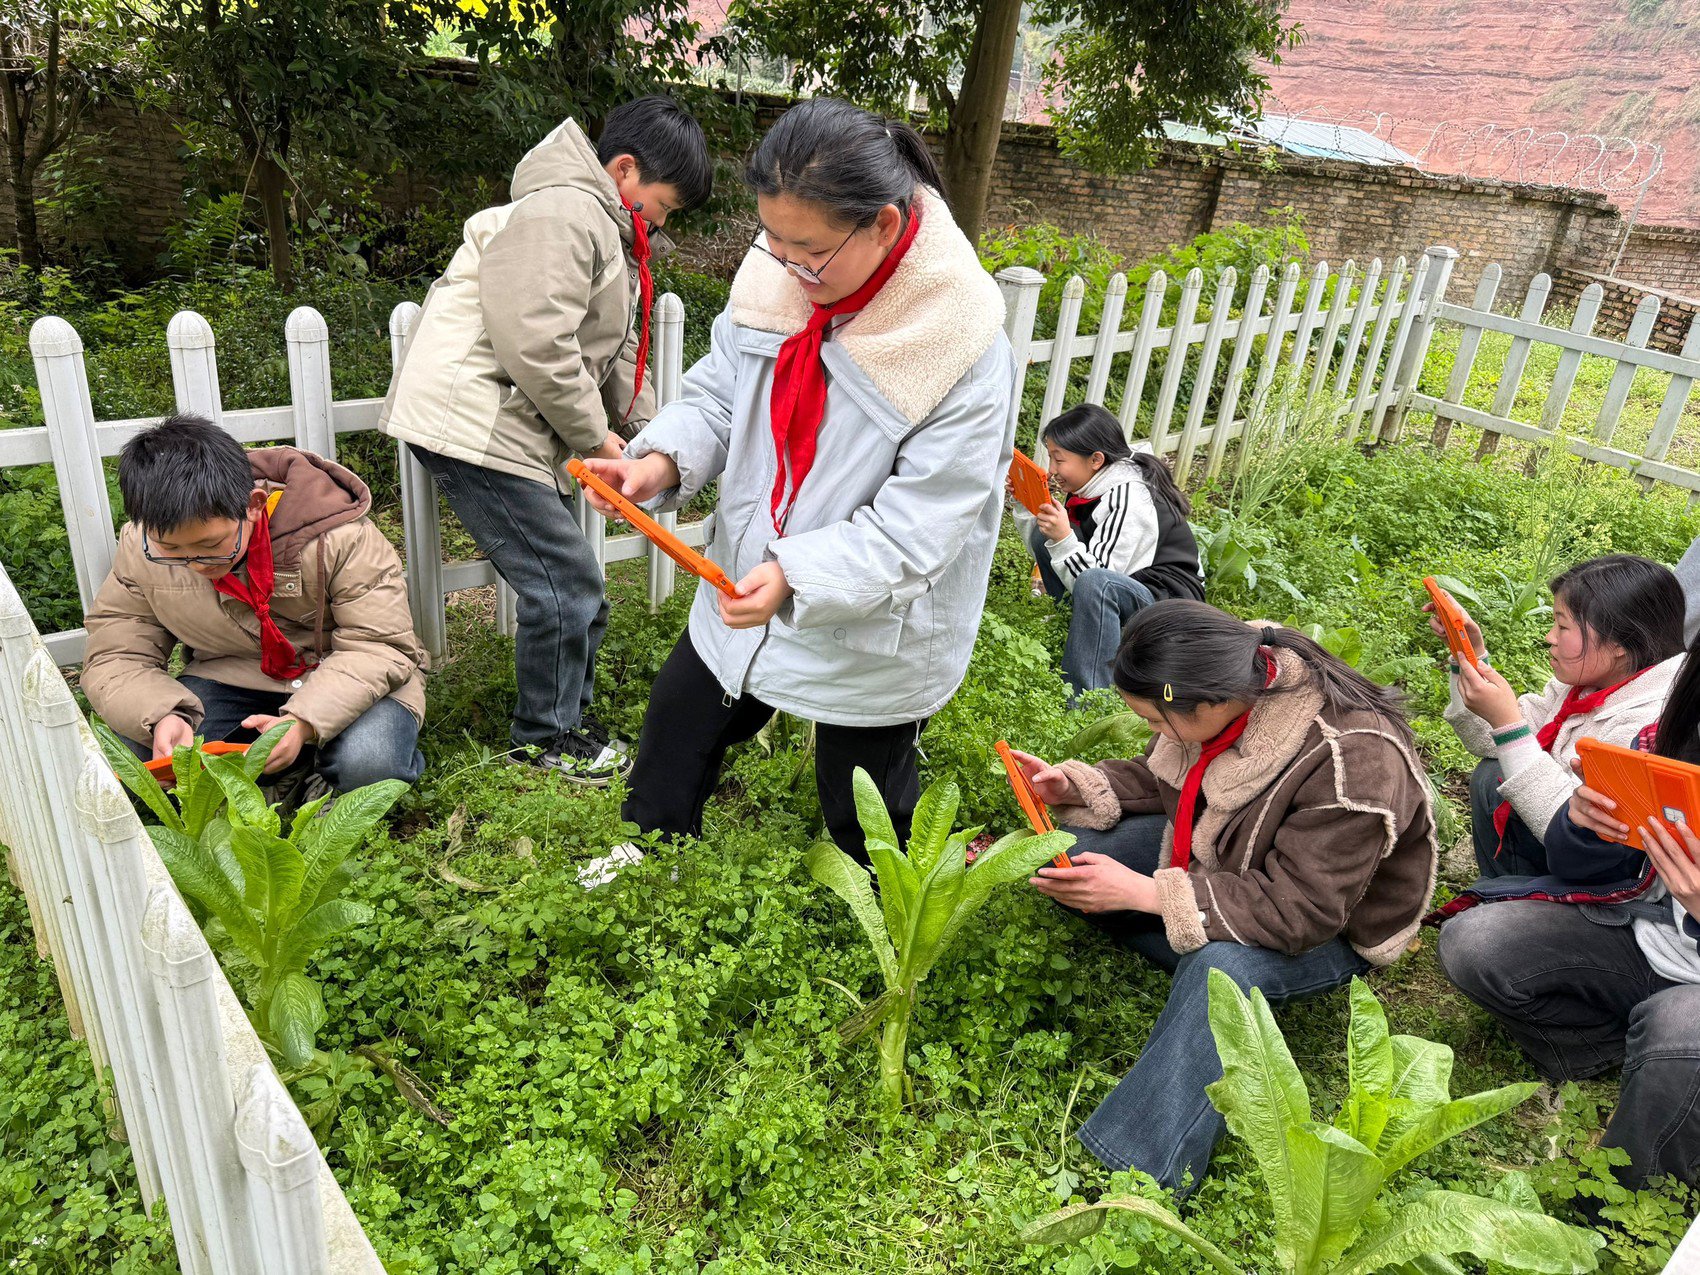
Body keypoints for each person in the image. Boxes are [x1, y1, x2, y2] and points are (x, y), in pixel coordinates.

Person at [576, 97, 1015, 883]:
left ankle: (891, 909)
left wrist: (796, 576)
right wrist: (658, 463)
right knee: (681, 719)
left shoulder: (961, 338)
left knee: (865, 794)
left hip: (877, 612)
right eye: (771, 240)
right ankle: (648, 858)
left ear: (883, 224)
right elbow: (719, 395)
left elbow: (917, 527)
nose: (786, 266)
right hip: (749, 577)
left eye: (807, 250)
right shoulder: (781, 270)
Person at [1010, 599, 1436, 1193]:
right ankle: (1181, 950)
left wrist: (1143, 892)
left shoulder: (1355, 763)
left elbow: (1303, 910)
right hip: (1224, 862)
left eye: (1157, 721)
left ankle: (1140, 1174)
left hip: (1330, 926)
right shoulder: (1226, 676)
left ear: (1209, 703)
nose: (1154, 734)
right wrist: (1080, 783)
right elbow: (1175, 769)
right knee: (1074, 848)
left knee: (1222, 969)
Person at [379, 95, 712, 783]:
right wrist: (597, 436)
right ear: (625, 171)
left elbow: (617, 353)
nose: (661, 221)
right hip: (472, 420)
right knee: (565, 581)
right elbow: (536, 341)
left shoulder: (606, 228)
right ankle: (545, 739)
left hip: (509, 422)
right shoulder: (564, 211)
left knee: (576, 580)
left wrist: (648, 435)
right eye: (663, 206)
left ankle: (568, 722)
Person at [1437, 635, 1700, 1190]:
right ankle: (1593, 1055)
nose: (1551, 637)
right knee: (1476, 943)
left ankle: (1625, 1200)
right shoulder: (1664, 743)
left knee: (1677, 1030)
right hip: (1646, 933)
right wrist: (1581, 824)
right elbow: (1588, 868)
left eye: (1567, 622)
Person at [83, 414, 426, 793]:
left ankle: (300, 763)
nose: (196, 563)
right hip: (230, 674)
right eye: (171, 550)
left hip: (347, 673)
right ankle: (296, 771)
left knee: (369, 762)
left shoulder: (342, 537)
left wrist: (304, 720)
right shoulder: (139, 548)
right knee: (139, 751)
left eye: (212, 545)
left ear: (253, 505)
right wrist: (165, 715)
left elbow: (378, 646)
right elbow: (117, 654)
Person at [1428, 555, 1684, 880]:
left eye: (1562, 626)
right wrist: (1469, 655)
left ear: (1619, 642)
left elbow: (1579, 838)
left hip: (1597, 873)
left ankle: (1518, 904)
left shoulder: (1647, 724)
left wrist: (1508, 724)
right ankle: (1501, 888)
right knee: (1490, 774)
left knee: (1496, 776)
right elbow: (1488, 742)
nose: (1550, 636)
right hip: (1553, 838)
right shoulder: (1583, 685)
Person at [1012, 403, 1204, 692]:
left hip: (1170, 610)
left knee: (1091, 577)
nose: (1051, 470)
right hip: (1128, 584)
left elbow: (1097, 581)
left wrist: (1064, 539)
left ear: (1096, 460)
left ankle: (1086, 697)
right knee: (1047, 532)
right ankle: (1068, 631)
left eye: (1059, 460)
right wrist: (1026, 502)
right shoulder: (1092, 485)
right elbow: (1057, 553)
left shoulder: (1128, 497)